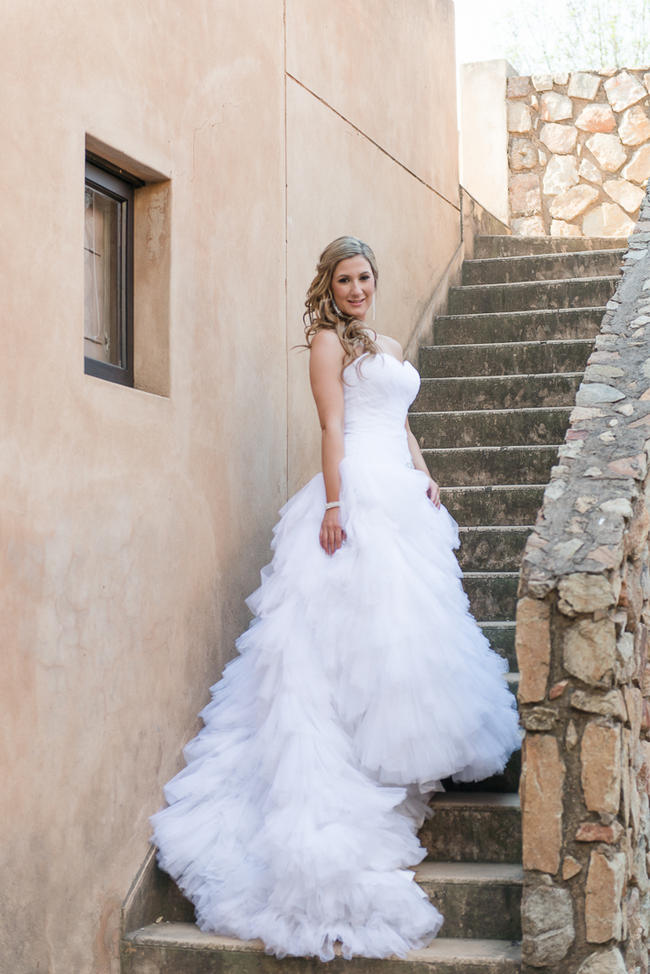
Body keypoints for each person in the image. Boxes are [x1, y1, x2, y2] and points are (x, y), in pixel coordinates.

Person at [150, 236, 521, 962]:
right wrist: (333, 503)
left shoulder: (380, 341)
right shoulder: (326, 342)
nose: (356, 288)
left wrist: (426, 473)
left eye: (365, 277)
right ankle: (357, 770)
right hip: (354, 490)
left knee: (404, 629)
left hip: (403, 492)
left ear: (376, 280)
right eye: (345, 279)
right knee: (354, 632)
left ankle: (404, 751)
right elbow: (332, 425)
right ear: (330, 284)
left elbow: (401, 421)